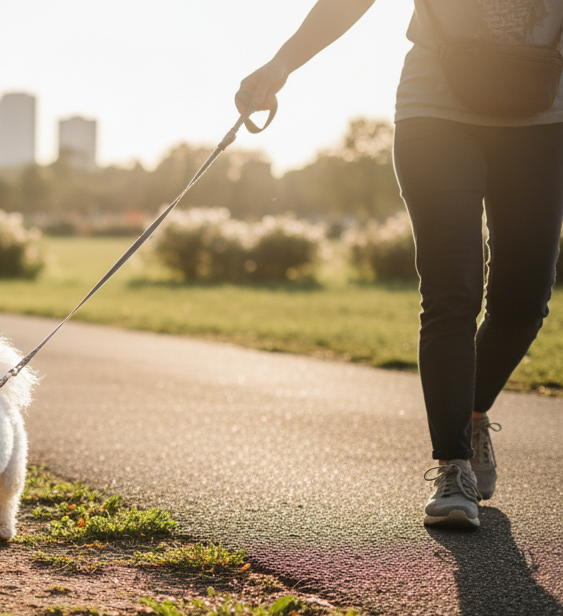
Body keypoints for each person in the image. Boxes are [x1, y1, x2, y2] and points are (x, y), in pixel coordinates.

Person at [238, 0, 563, 530]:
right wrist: (283, 62)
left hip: (543, 117)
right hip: (436, 112)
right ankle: (453, 466)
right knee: (452, 292)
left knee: (524, 300)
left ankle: (472, 412)